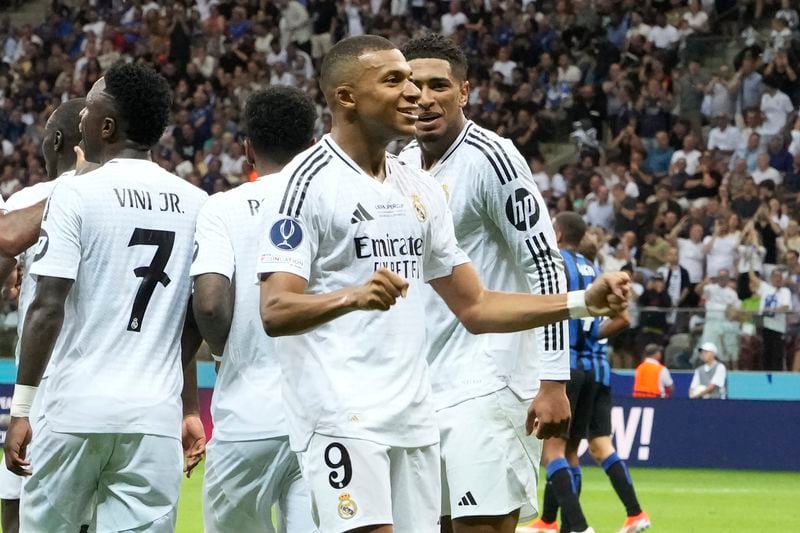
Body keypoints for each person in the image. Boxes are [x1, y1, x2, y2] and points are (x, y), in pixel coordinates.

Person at [254, 35, 629, 533]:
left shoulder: (424, 186)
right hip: (343, 414)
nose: (415, 94)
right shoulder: (307, 182)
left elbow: (477, 305)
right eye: (397, 81)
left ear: (464, 92)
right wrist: (353, 297)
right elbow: (275, 308)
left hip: (427, 409)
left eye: (425, 83)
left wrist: (582, 304)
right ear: (346, 97)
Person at [3, 62, 208, 532]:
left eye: (89, 107)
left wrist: (21, 410)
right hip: (153, 417)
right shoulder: (197, 202)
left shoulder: (73, 194)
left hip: (73, 408)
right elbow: (193, 319)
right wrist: (188, 408)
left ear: (107, 126)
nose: (81, 119)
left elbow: (46, 307)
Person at [398, 33, 569, 533]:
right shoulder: (401, 167)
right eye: (413, 86)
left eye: (438, 85)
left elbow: (544, 263)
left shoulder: (493, 158)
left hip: (490, 381)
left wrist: (554, 379)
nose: (425, 98)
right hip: (424, 386)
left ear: (464, 92)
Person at [191, 87, 318, 532]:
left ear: (247, 147)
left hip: (247, 418)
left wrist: (229, 353)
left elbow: (208, 304)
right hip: (321, 417)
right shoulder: (331, 200)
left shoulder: (222, 208)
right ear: (312, 144)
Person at [530, 213, 650, 533]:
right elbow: (615, 318)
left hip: (564, 365)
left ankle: (578, 526)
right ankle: (560, 525)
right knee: (573, 452)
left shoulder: (556, 264)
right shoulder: (595, 271)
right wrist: (590, 335)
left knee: (552, 451)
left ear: (556, 234)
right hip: (593, 365)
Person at [0, 98, 86, 533]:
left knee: (18, 513)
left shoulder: (30, 199)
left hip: (47, 390)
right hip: (131, 393)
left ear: (56, 141)